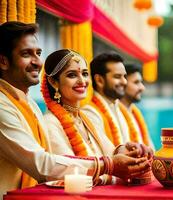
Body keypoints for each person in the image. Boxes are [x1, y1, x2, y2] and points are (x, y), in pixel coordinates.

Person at [0, 21, 150, 197]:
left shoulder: (30, 104)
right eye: (26, 54)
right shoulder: (17, 110)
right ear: (3, 61)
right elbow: (44, 165)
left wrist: (129, 152)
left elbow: (109, 152)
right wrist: (109, 167)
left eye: (38, 53)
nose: (36, 61)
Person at [42, 49, 152, 185]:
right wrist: (110, 174)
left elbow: (111, 152)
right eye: (72, 75)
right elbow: (67, 172)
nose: (82, 81)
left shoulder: (84, 118)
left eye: (84, 74)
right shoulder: (50, 123)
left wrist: (132, 151)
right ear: (54, 82)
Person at [83, 52, 144, 146]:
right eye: (117, 77)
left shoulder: (121, 110)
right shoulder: (90, 113)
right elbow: (107, 155)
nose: (124, 82)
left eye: (124, 76)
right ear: (99, 80)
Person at [120, 63, 154, 149]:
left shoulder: (135, 113)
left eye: (141, 82)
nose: (142, 88)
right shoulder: (114, 115)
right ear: (122, 84)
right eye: (136, 82)